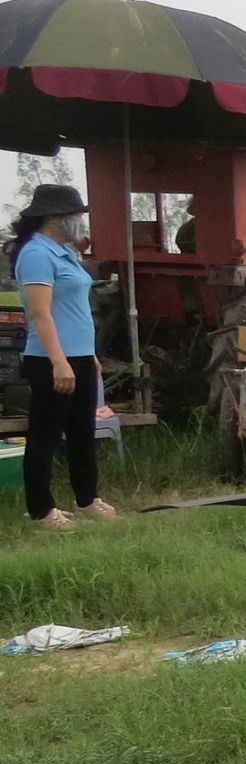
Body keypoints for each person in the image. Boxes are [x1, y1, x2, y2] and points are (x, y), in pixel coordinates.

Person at [7, 184, 117, 531]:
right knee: (46, 435)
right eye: (76, 216)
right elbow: (41, 314)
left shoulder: (65, 252)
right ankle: (41, 509)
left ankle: (87, 498)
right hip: (51, 359)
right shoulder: (36, 254)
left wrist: (89, 355)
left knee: (83, 432)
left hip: (79, 356)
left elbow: (75, 309)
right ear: (54, 218)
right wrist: (59, 361)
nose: (80, 222)